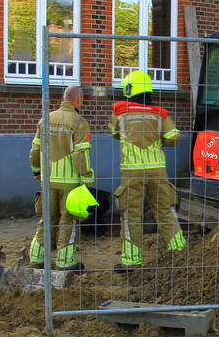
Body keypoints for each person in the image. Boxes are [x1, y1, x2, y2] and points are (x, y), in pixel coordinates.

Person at [110, 70, 186, 273]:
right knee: (165, 211)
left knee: (131, 215)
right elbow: (173, 137)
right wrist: (158, 139)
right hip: (157, 171)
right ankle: (179, 253)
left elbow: (115, 133)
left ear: (129, 89)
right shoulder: (160, 114)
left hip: (132, 173)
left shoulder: (120, 112)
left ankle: (131, 261)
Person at [27, 85, 94, 271]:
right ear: (79, 100)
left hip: (48, 181)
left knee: (46, 219)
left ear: (64, 99)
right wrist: (87, 179)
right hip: (70, 183)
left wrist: (36, 171)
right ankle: (65, 262)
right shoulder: (79, 122)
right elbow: (81, 155)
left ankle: (36, 259)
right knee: (68, 221)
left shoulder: (45, 119)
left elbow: (34, 150)